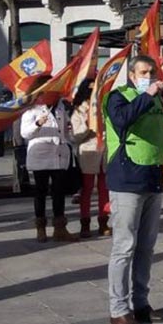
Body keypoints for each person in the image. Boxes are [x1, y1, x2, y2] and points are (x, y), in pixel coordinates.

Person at [105, 55, 163, 324]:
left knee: (146, 247)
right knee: (124, 247)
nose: (148, 76)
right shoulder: (118, 97)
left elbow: (161, 136)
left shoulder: (156, 101)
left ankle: (141, 303)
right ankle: (118, 309)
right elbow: (122, 120)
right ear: (132, 74)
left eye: (151, 72)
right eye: (143, 72)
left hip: (152, 177)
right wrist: (147, 94)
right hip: (127, 178)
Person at [21, 75, 77, 242]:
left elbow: (67, 133)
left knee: (58, 192)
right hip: (41, 156)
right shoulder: (32, 109)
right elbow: (25, 133)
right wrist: (37, 124)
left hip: (59, 155)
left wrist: (71, 132)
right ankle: (41, 228)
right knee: (40, 192)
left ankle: (60, 228)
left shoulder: (60, 107)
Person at [71, 82, 109, 238]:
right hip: (88, 151)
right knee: (86, 190)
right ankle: (85, 223)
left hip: (104, 151)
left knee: (104, 189)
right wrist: (88, 123)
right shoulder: (79, 111)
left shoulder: (104, 108)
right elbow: (76, 135)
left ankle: (103, 221)